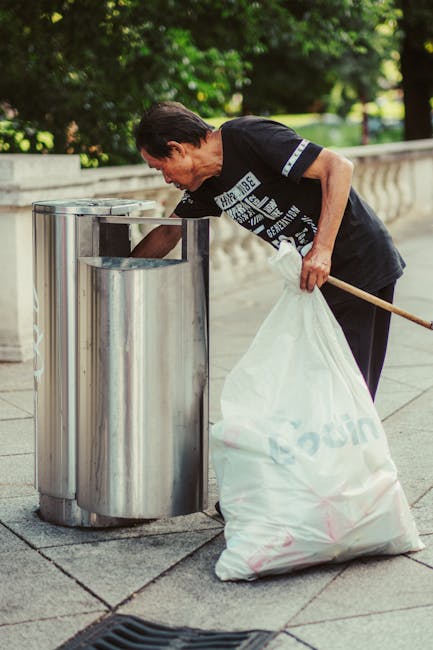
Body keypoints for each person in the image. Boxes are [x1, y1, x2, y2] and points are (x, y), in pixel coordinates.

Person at [131, 101, 405, 400]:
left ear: (178, 149)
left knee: (348, 386)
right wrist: (117, 269)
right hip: (316, 280)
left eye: (161, 169)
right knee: (312, 384)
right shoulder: (205, 185)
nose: (166, 179)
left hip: (360, 262)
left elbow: (338, 167)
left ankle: (350, 446)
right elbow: (171, 231)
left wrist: (322, 250)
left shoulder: (247, 136)